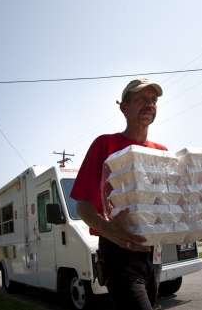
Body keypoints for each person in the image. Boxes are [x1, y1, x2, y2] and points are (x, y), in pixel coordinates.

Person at [70, 78, 166, 310]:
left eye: (153, 100)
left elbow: (167, 205)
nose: (149, 104)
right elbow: (83, 206)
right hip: (118, 253)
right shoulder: (105, 145)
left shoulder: (162, 153)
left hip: (154, 255)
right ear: (124, 107)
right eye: (141, 99)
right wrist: (109, 230)